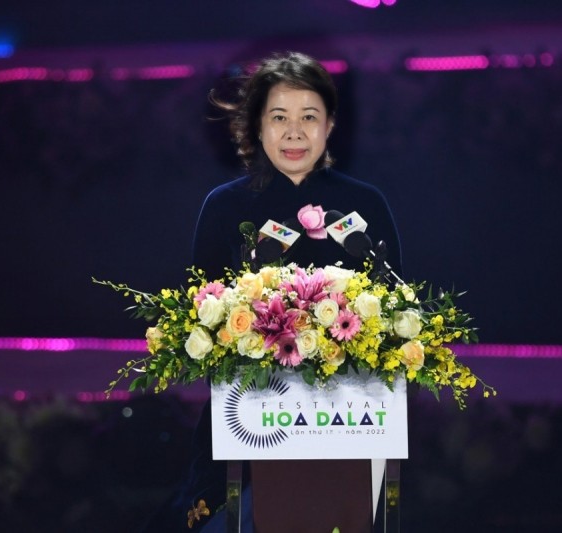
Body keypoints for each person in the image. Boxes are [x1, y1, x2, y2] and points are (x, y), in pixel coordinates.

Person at [144, 51, 402, 532]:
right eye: (279, 117)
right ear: (257, 126)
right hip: (249, 433)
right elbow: (198, 318)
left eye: (309, 117)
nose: (294, 132)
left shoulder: (365, 204)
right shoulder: (225, 207)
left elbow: (398, 311)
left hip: (349, 432)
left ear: (330, 125)